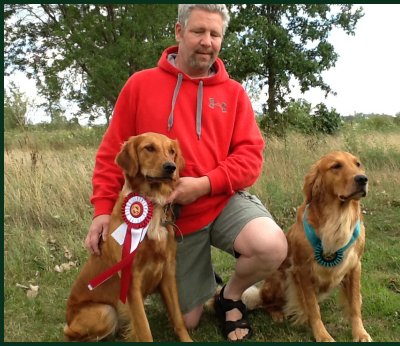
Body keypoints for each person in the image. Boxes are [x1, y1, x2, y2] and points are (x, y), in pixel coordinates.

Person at [84, 4, 287, 341]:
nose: (206, 41)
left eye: (215, 34)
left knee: (271, 245)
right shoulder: (140, 85)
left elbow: (251, 158)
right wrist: (103, 211)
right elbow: (110, 155)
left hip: (220, 201)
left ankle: (229, 295)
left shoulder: (234, 93)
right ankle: (202, 281)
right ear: (179, 32)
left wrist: (207, 184)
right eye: (198, 31)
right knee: (189, 320)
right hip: (168, 217)